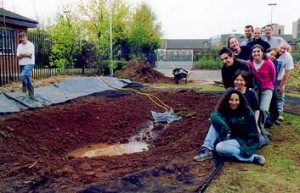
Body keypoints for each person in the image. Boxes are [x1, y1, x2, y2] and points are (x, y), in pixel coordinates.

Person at [193, 88, 265, 165]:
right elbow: (214, 116)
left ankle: (252, 158)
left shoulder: (247, 112)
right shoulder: (224, 109)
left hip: (240, 140)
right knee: (215, 122)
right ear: (227, 100)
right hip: (228, 136)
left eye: (236, 100)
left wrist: (248, 149)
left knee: (220, 148)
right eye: (231, 99)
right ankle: (207, 149)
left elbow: (253, 133)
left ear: (240, 100)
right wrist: (226, 127)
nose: (234, 102)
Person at [247, 44, 276, 126]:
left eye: (258, 51)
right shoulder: (249, 63)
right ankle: (254, 125)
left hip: (267, 88)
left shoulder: (269, 63)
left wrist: (270, 86)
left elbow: (273, 77)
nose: (256, 53)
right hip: (255, 88)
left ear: (262, 53)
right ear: (251, 54)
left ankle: (261, 126)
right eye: (254, 52)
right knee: (255, 108)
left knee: (263, 109)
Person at [276, 42, 294, 121]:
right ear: (278, 47)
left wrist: (281, 85)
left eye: (285, 49)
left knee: (280, 96)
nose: (282, 50)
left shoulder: (288, 57)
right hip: (270, 79)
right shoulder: (273, 52)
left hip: (280, 78)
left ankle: (279, 114)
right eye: (281, 48)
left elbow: (287, 73)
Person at [265, 48, 282, 127]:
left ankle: (274, 119)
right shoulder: (263, 61)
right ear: (267, 53)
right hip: (263, 85)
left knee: (274, 101)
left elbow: (274, 76)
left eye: (275, 56)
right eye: (271, 54)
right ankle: (267, 120)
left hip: (271, 85)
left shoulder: (276, 63)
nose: (272, 57)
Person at [16, 32, 35, 99]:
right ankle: (31, 94)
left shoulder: (31, 45)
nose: (22, 39)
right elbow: (17, 56)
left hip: (29, 64)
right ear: (20, 39)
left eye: (24, 37)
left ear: (26, 37)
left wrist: (21, 54)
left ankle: (25, 91)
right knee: (27, 79)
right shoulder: (19, 46)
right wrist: (24, 54)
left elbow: (29, 55)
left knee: (23, 75)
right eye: (21, 38)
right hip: (22, 64)